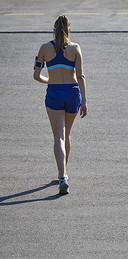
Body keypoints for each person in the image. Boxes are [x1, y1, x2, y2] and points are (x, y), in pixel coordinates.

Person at [33, 15, 87, 195]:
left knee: (59, 136)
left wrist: (49, 80)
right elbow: (80, 77)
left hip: (54, 93)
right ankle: (63, 173)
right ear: (69, 30)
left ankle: (62, 176)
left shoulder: (44, 49)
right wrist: (85, 101)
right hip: (72, 93)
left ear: (53, 30)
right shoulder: (75, 48)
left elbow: (36, 75)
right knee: (67, 133)